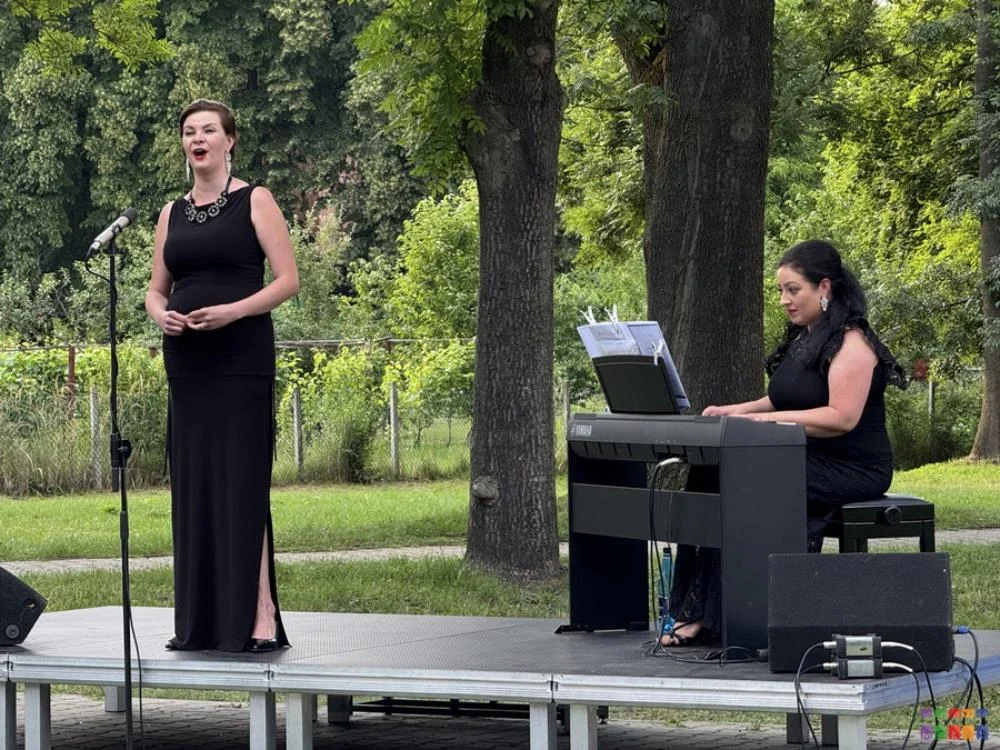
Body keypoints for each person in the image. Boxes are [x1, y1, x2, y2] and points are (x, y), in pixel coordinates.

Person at [661, 239, 906, 647]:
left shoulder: (853, 344)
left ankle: (733, 613)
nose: (784, 300)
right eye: (780, 291)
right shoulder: (804, 339)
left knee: (744, 481)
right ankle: (693, 608)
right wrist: (734, 411)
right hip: (801, 455)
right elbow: (782, 399)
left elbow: (841, 417)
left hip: (853, 468)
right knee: (707, 472)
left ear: (824, 288)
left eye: (793, 290)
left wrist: (762, 422)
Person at [145, 99, 300, 652]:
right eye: (189, 131)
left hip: (240, 358)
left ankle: (260, 615)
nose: (198, 139)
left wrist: (233, 312)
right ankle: (200, 622)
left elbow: (287, 281)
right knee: (195, 484)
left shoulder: (255, 199)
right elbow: (156, 289)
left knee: (242, 480)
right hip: (188, 363)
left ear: (229, 140)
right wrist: (160, 316)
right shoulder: (171, 213)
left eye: (208, 130)